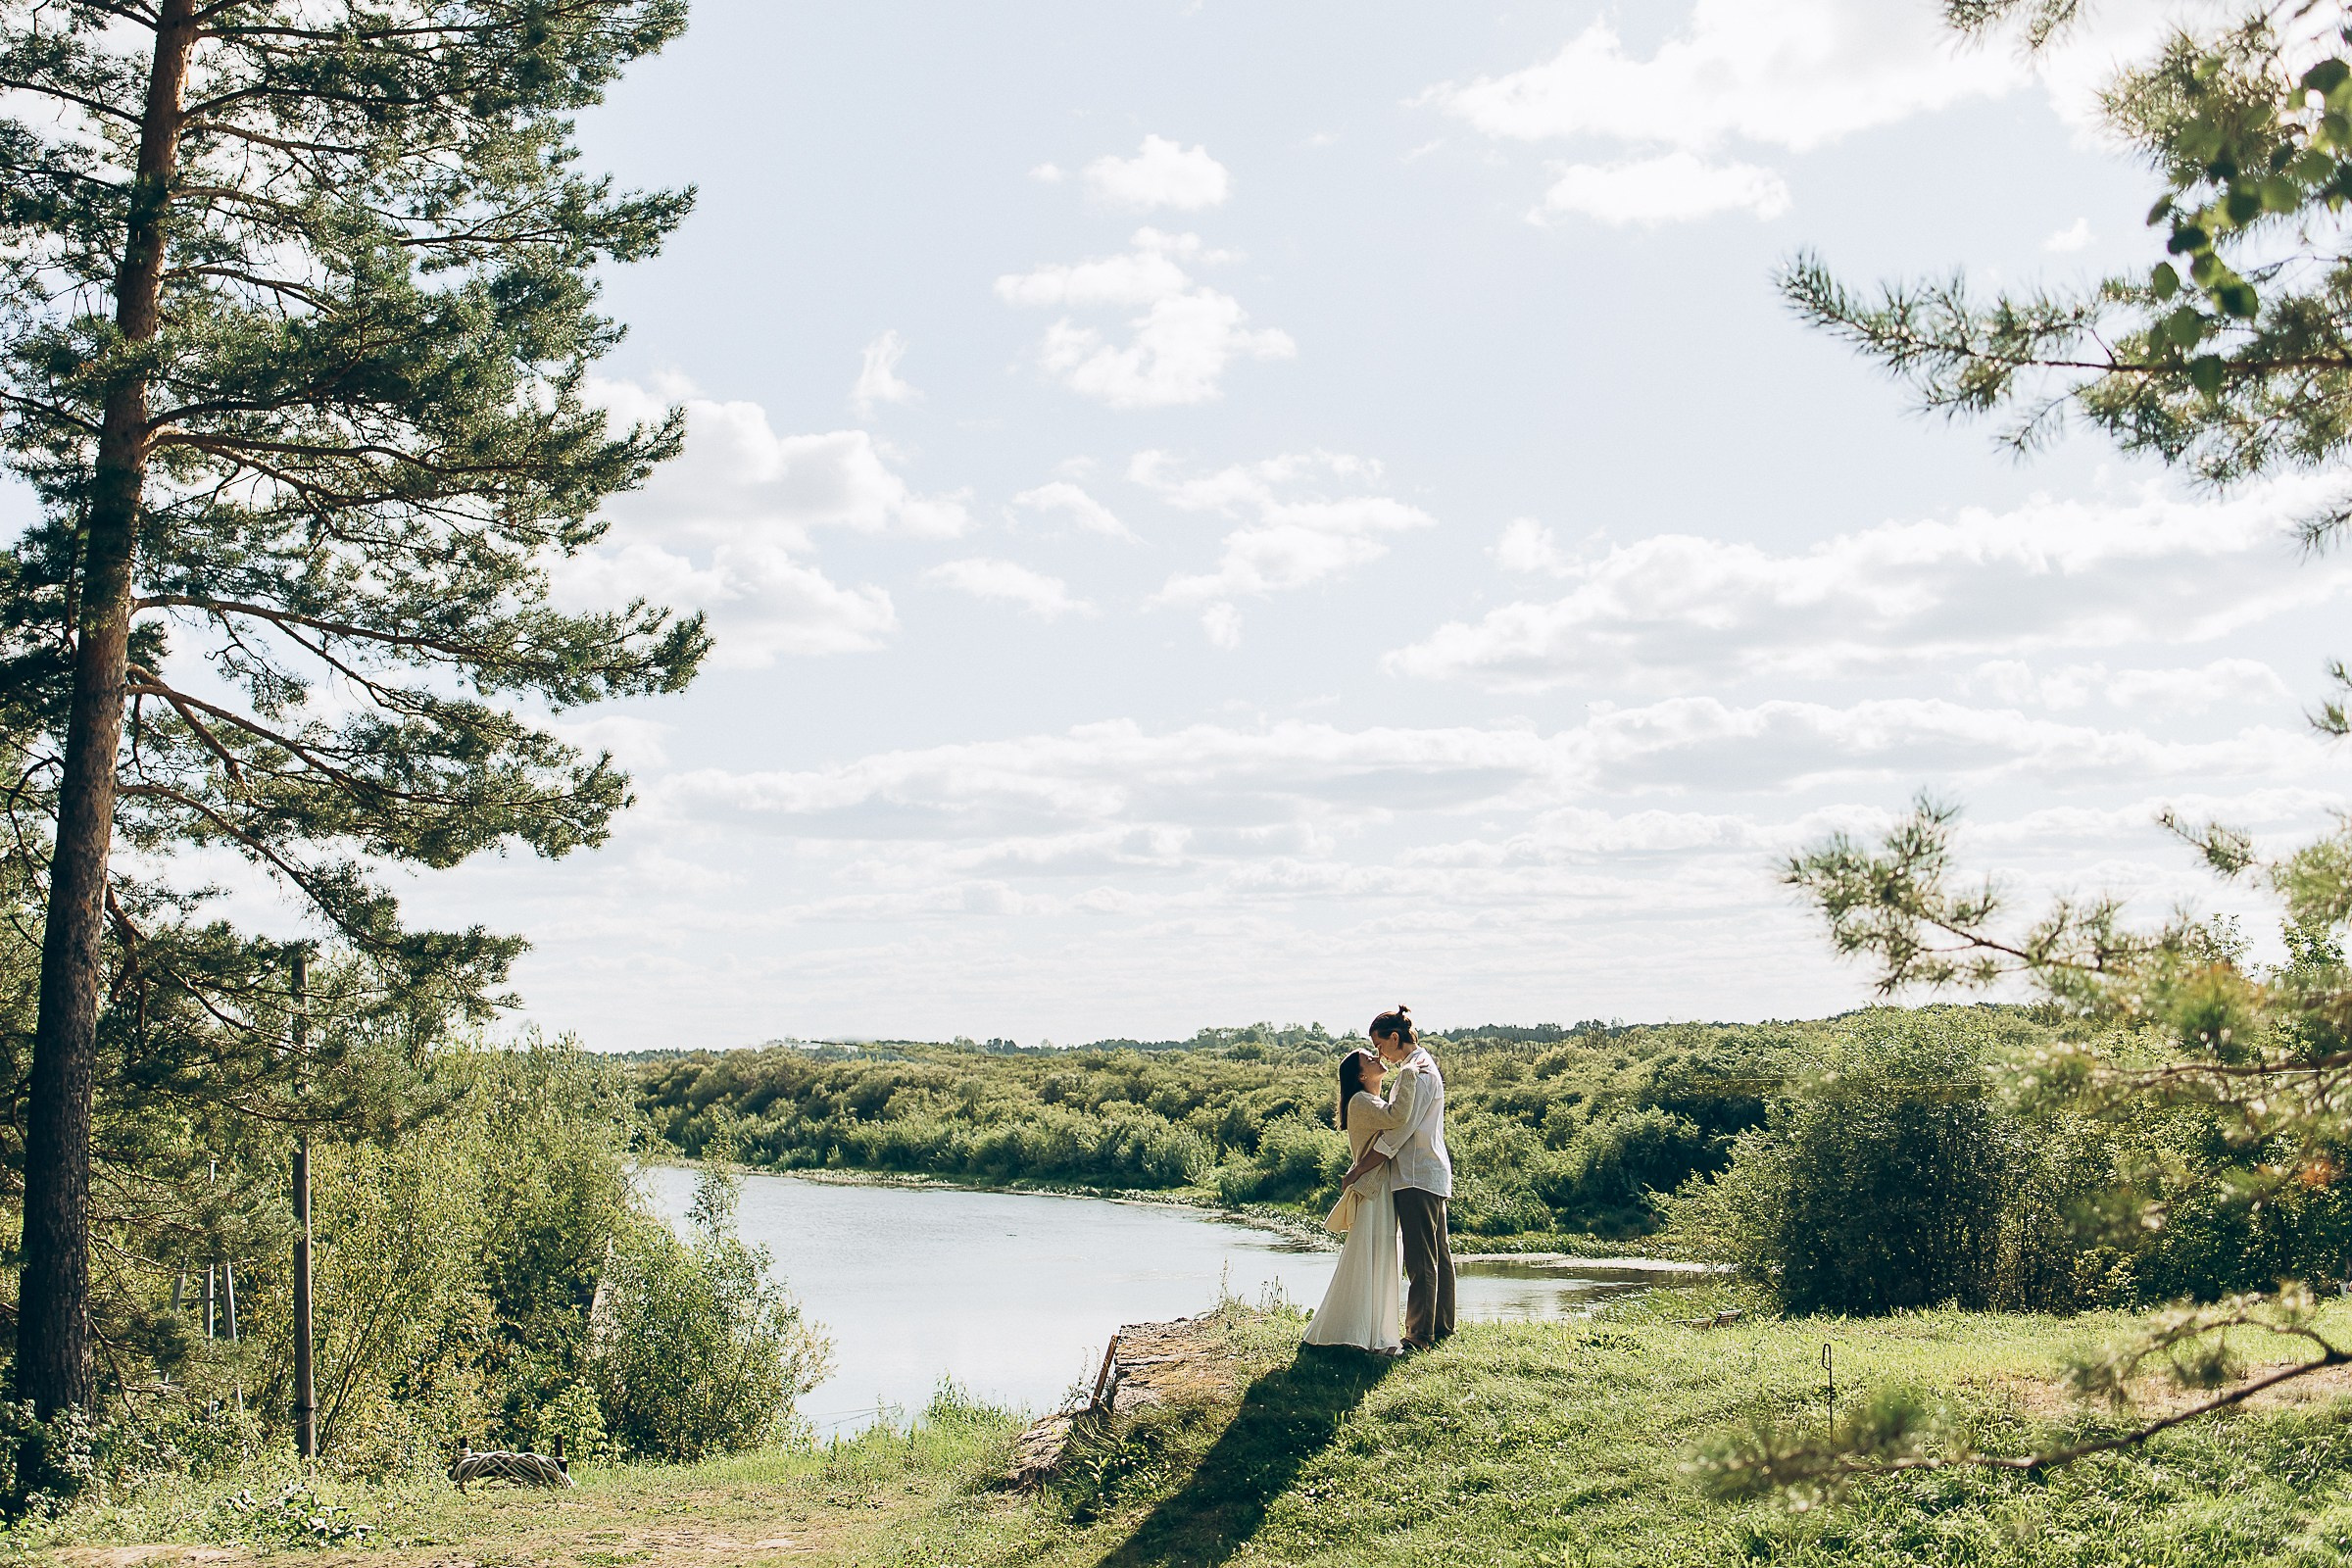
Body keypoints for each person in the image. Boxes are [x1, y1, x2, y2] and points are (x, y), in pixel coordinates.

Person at [1341, 1005, 1454, 1348]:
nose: (1379, 1054)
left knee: (1421, 1260)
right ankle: (1442, 1326)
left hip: (1416, 1174)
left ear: (1395, 1038)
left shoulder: (1413, 1072)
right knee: (1439, 1254)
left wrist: (1360, 1167)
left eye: (1380, 1045)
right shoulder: (1422, 1066)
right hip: (1430, 1171)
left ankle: (1420, 1335)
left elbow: (1396, 1136)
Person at [1301, 1047, 1407, 1351]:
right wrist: (1410, 1076)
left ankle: (1373, 1331)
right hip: (1372, 1188)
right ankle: (1360, 1332)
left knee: (1380, 1253)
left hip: (1378, 1186)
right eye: (1369, 1059)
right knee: (1369, 1253)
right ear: (1361, 1075)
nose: (1378, 1058)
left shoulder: (1371, 1101)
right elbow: (1399, 1118)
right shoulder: (1361, 1102)